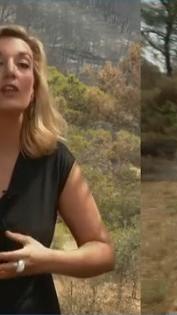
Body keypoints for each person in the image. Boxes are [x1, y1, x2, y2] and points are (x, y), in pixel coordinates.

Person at [0, 25, 114, 313]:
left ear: (35, 87)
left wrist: (45, 260)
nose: (10, 71)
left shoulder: (55, 160)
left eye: (23, 64)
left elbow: (102, 252)